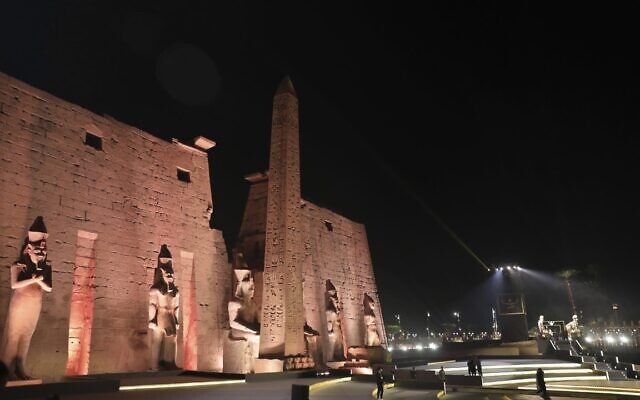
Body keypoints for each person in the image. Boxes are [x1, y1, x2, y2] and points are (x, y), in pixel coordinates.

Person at [1, 216, 52, 380]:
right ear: (29, 249)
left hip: (34, 304)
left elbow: (48, 288)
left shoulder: (46, 268)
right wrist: (33, 279)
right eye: (38, 251)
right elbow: (14, 285)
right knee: (14, 336)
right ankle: (6, 370)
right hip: (20, 304)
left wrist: (39, 280)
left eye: (43, 251)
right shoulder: (18, 266)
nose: (41, 254)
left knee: (27, 336)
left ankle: (20, 368)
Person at [148, 244, 180, 370]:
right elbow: (152, 304)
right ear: (162, 274)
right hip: (161, 315)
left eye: (171, 274)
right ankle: (154, 365)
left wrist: (177, 320)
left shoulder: (176, 291)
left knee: (172, 339)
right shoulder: (156, 290)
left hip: (170, 316)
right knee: (157, 340)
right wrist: (151, 319)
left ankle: (170, 362)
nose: (170, 276)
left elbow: (176, 307)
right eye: (168, 274)